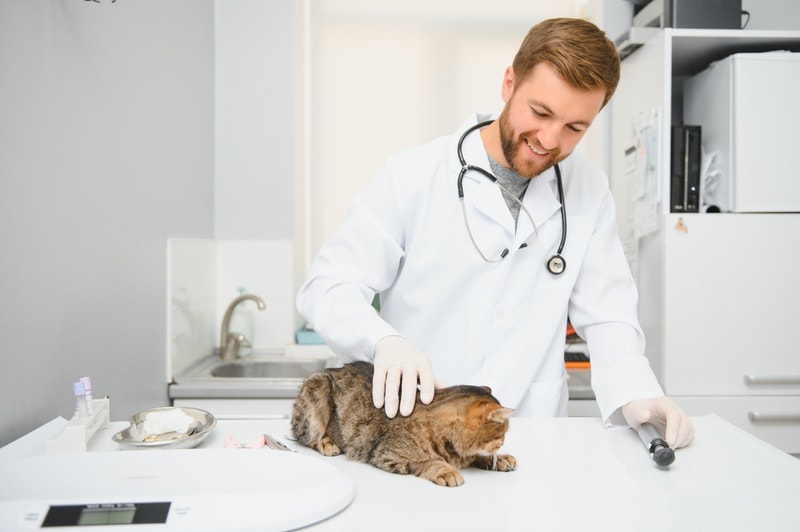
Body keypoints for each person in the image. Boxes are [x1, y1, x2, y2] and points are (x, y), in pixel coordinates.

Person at [297, 17, 694, 449]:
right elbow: (329, 286)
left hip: (528, 438)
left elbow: (608, 312)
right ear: (509, 83)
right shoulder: (412, 176)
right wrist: (382, 341)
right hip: (416, 435)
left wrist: (636, 391)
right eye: (540, 112)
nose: (549, 139)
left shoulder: (588, 189)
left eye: (574, 128)